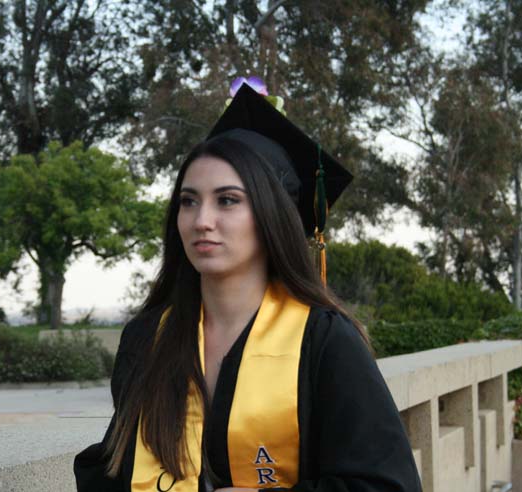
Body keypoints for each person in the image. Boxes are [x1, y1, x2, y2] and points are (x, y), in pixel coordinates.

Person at [74, 82, 423, 492]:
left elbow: (386, 486)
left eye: (227, 200)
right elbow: (118, 467)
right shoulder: (149, 338)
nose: (202, 219)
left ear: (271, 215)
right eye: (188, 201)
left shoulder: (324, 340)